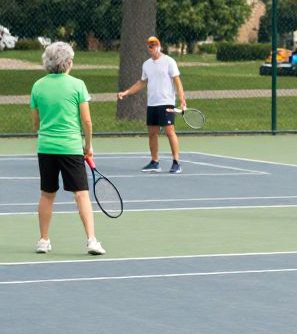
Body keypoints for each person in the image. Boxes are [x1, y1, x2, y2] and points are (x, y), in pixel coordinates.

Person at [29, 42, 105, 256]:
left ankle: (43, 241)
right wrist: (88, 147)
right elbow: (87, 122)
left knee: (46, 194)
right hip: (71, 148)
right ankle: (91, 241)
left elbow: (36, 124)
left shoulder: (37, 86)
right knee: (81, 195)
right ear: (68, 62)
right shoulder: (78, 85)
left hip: (46, 148)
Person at [117, 36, 186, 174]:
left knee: (169, 131)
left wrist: (182, 99)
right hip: (152, 104)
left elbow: (177, 81)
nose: (152, 47)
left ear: (159, 46)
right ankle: (155, 162)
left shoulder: (169, 61)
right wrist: (127, 92)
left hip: (166, 102)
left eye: (154, 45)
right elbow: (142, 82)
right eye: (149, 45)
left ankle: (176, 162)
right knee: (152, 133)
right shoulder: (146, 64)